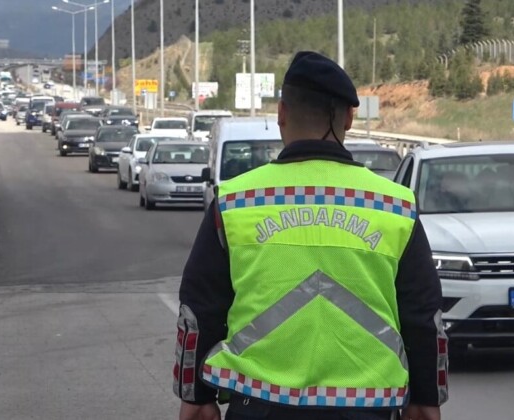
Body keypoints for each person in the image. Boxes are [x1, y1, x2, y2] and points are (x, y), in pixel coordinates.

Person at [175, 51, 448, 420]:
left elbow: (200, 309)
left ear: (281, 113)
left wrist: (196, 395)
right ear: (350, 118)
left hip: (260, 405)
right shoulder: (395, 205)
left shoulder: (235, 202)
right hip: (369, 408)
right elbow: (423, 316)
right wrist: (426, 399)